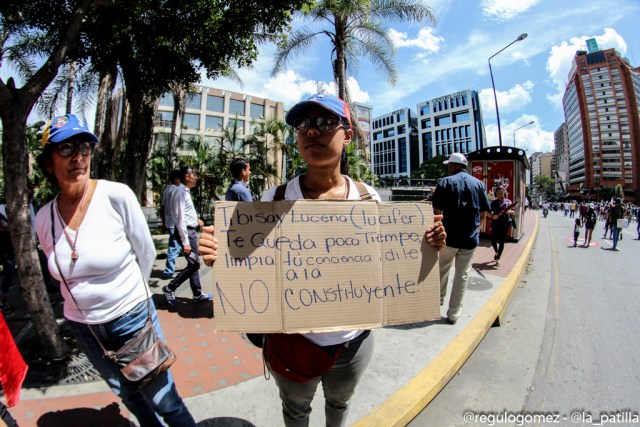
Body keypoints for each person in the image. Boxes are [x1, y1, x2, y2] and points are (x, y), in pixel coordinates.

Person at [199, 92, 446, 427]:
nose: (312, 131)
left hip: (353, 345)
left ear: (347, 136)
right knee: (296, 410)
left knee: (340, 404)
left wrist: (428, 244)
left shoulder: (367, 197)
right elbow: (250, 266)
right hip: (293, 347)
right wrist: (223, 259)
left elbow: (391, 264)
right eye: (303, 124)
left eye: (325, 122)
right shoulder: (276, 198)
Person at [34, 114, 195, 426]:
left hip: (131, 316)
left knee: (165, 401)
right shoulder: (43, 218)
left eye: (84, 147)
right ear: (48, 163)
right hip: (84, 327)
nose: (78, 157)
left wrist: (132, 298)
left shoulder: (115, 195)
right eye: (66, 149)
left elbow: (146, 252)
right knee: (128, 394)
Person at [431, 153, 489, 325]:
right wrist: (477, 231)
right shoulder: (479, 185)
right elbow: (484, 213)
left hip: (447, 239)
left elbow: (436, 211)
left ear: (453, 166)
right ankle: (454, 314)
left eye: (449, 165)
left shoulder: (445, 182)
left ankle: (437, 303)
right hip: (469, 240)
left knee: (442, 271)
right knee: (462, 276)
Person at [162, 166, 212, 306]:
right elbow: (179, 218)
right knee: (194, 264)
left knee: (193, 263)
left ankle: (197, 294)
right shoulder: (179, 192)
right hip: (186, 233)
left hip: (190, 231)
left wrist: (197, 220)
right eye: (194, 175)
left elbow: (187, 213)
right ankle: (170, 287)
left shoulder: (185, 191)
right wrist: (185, 242)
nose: (196, 177)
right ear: (187, 177)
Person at [161, 170, 181, 279]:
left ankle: (191, 265)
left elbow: (163, 207)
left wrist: (163, 223)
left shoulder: (167, 190)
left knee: (178, 245)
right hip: (176, 223)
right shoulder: (176, 190)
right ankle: (168, 271)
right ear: (176, 179)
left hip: (170, 222)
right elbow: (177, 208)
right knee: (174, 247)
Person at [489, 187, 514, 267]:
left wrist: (509, 212)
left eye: (502, 193)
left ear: (504, 193)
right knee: (493, 239)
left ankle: (497, 258)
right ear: (496, 194)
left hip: (504, 224)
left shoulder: (508, 202)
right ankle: (496, 252)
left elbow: (513, 212)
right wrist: (493, 216)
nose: (500, 195)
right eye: (499, 193)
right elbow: (490, 211)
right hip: (495, 223)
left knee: (501, 241)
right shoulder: (493, 202)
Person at [0, 203, 16, 314]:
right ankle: (2, 302)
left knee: (9, 275)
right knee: (9, 274)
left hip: (7, 249)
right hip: (3, 250)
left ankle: (2, 302)